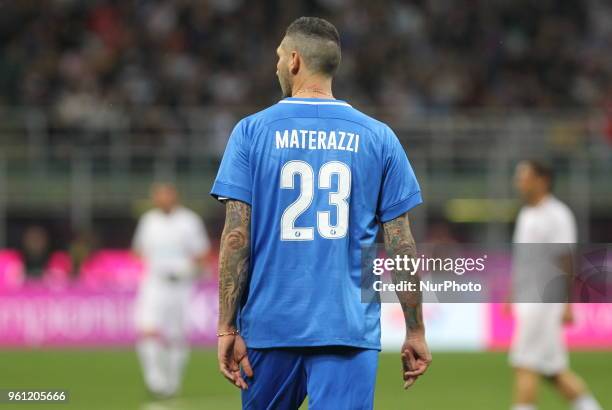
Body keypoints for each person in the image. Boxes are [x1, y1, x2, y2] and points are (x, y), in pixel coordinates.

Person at [210, 16, 431, 409]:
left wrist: (227, 326)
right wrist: (415, 329)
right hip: (347, 329)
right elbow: (401, 245)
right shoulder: (378, 137)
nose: (276, 64)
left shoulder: (250, 132)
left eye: (278, 56)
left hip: (269, 328)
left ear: (294, 61)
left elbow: (235, 237)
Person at [509, 160, 601, 410]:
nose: (518, 182)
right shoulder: (527, 213)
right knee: (552, 370)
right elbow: (524, 261)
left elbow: (567, 260)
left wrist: (569, 303)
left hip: (543, 302)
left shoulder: (557, 215)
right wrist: (511, 294)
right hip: (528, 300)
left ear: (542, 180)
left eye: (523, 176)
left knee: (524, 364)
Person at [132, 183, 211, 398]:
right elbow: (138, 250)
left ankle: (173, 382)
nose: (162, 200)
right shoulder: (148, 221)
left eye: (166, 195)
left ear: (175, 197)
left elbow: (202, 253)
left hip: (181, 285)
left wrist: (189, 268)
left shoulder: (189, 221)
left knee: (177, 335)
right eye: (158, 196)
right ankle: (154, 379)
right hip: (154, 282)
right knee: (147, 329)